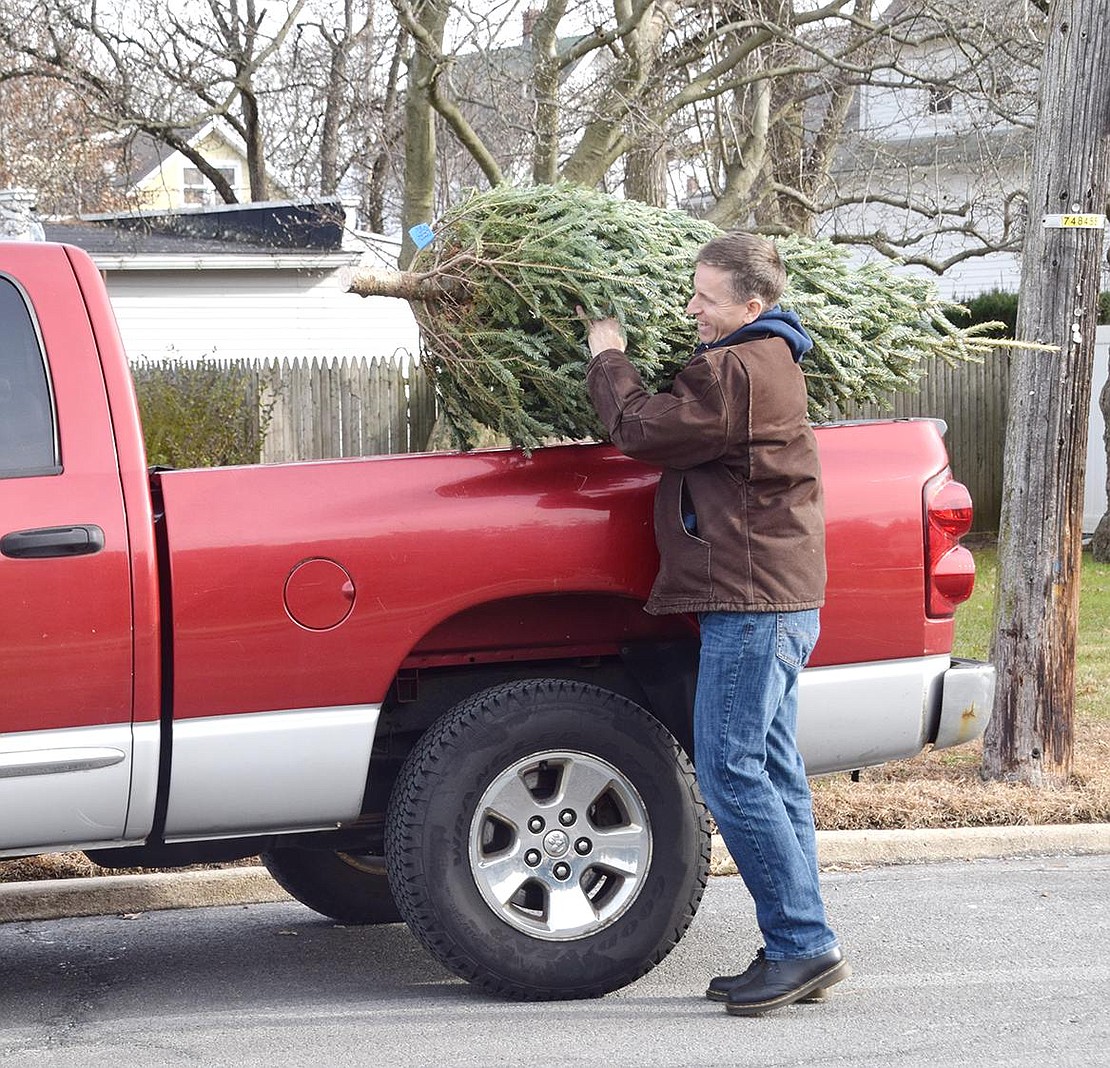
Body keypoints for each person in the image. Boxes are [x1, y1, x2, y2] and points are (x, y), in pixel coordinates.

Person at [580, 231, 849, 1016]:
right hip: (776, 597)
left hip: (751, 600)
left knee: (732, 773)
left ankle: (803, 946)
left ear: (752, 306)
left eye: (705, 296)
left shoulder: (735, 369)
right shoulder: (769, 361)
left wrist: (607, 352)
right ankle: (798, 943)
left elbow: (639, 429)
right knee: (771, 771)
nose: (691, 308)